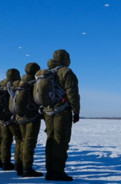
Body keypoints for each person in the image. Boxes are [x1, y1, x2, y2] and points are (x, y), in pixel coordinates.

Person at [44, 49, 80, 181]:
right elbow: (72, 94)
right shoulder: (66, 72)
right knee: (61, 142)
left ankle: (50, 171)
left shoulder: (47, 72)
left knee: (51, 140)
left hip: (48, 113)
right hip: (62, 112)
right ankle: (58, 172)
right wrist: (76, 111)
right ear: (65, 59)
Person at [15, 62, 43, 177]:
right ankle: (27, 168)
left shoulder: (20, 83)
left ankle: (19, 165)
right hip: (32, 117)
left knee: (21, 141)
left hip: (19, 116)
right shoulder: (36, 83)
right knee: (29, 143)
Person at [0, 68, 23, 174]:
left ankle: (5, 162)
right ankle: (19, 163)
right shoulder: (17, 84)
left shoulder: (1, 84)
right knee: (19, 140)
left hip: (2, 118)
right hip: (13, 118)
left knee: (5, 140)